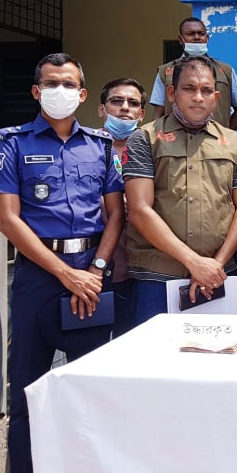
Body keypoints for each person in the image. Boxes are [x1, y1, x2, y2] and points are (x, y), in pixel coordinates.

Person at [0, 53, 124, 473]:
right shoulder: (11, 143)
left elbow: (115, 214)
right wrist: (66, 273)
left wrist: (95, 270)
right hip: (38, 278)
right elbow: (8, 219)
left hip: (92, 278)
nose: (59, 91)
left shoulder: (100, 146)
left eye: (68, 84)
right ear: (36, 91)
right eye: (50, 83)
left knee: (89, 391)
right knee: (28, 392)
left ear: (82, 94)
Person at [123, 55, 237, 325]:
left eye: (206, 90)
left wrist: (214, 265)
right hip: (157, 277)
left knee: (218, 350)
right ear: (172, 93)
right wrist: (194, 262)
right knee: (155, 352)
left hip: (217, 275)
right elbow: (139, 210)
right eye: (189, 88)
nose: (198, 97)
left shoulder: (233, 141)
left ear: (216, 97)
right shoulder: (145, 138)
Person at [97, 77, 147, 337]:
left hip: (142, 272)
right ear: (102, 110)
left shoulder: (153, 153)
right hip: (97, 271)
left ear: (142, 114)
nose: (125, 107)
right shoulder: (85, 149)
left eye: (133, 103)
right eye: (116, 101)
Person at [148, 17, 237, 129]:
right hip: (175, 138)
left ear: (207, 38)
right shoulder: (165, 71)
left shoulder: (225, 70)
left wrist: (225, 133)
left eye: (201, 34)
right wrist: (157, 135)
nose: (197, 37)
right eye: (191, 34)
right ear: (181, 40)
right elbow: (158, 112)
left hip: (214, 138)